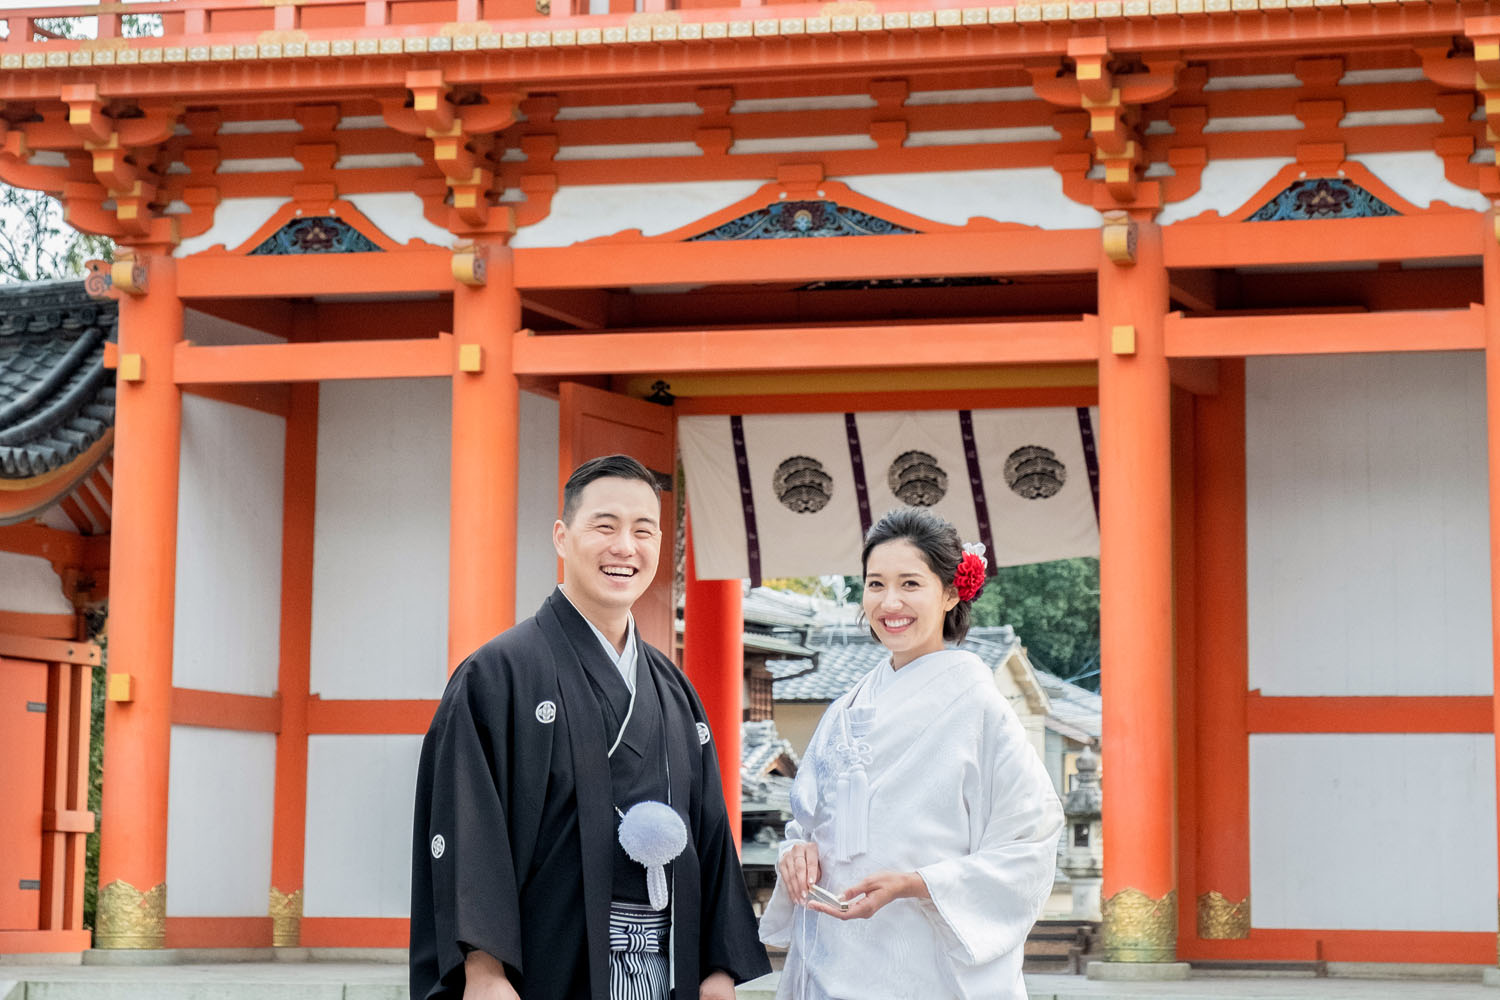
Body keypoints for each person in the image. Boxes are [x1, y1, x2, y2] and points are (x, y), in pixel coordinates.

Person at [410, 454, 770, 1000]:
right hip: (546, 968)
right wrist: (484, 971)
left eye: (643, 530)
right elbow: (467, 832)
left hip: (664, 974)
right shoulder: (498, 675)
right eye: (605, 526)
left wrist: (718, 970)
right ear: (562, 536)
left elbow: (711, 836)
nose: (626, 547)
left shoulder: (674, 690)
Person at [759, 507, 1064, 1000]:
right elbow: (808, 824)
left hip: (926, 957)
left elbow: (1032, 838)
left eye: (910, 583)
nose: (889, 602)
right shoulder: (844, 708)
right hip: (834, 952)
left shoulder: (979, 706)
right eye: (875, 584)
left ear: (950, 593)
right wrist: (796, 853)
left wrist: (917, 883)